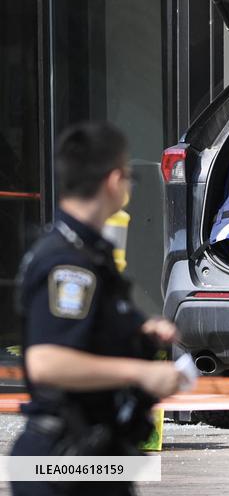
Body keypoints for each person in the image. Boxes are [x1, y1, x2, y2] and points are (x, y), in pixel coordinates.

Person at [9, 121, 184, 496]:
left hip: (90, 456)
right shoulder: (68, 263)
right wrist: (141, 373)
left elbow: (84, 331)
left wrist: (138, 332)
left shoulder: (89, 254)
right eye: (129, 177)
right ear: (113, 180)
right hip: (62, 462)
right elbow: (47, 363)